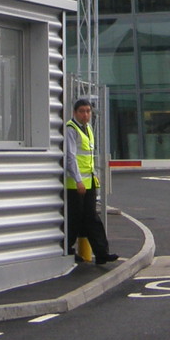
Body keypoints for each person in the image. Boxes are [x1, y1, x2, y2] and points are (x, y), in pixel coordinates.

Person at [64, 98, 118, 263]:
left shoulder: (87, 128)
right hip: (75, 184)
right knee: (75, 219)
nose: (86, 115)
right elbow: (71, 158)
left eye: (88, 111)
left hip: (89, 182)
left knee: (91, 218)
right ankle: (68, 249)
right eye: (82, 111)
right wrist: (79, 180)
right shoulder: (71, 129)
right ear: (75, 113)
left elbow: (88, 158)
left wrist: (94, 175)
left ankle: (101, 254)